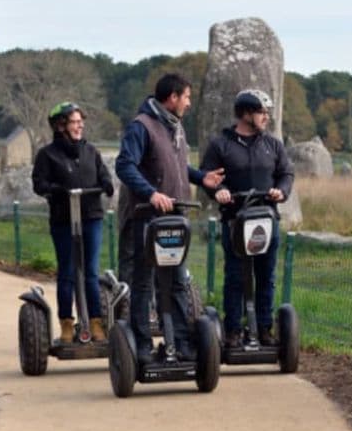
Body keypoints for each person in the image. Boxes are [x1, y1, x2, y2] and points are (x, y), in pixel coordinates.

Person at [115, 73, 223, 364]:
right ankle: (142, 345)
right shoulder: (142, 126)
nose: (189, 103)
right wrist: (150, 194)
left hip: (175, 218)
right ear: (172, 98)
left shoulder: (174, 126)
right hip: (148, 218)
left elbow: (176, 164)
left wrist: (202, 178)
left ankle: (181, 344)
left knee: (176, 282)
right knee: (144, 282)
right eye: (186, 97)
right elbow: (125, 166)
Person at [199, 89, 294, 348]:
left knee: (266, 276)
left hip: (266, 218)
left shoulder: (272, 144)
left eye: (267, 113)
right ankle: (233, 330)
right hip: (235, 220)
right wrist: (218, 191)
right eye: (262, 112)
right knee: (236, 276)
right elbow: (208, 176)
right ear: (245, 113)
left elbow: (286, 173)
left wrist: (281, 191)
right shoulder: (221, 145)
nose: (266, 117)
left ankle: (264, 328)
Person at [32, 101, 114, 344]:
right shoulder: (47, 155)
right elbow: (39, 184)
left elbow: (103, 174)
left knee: (90, 271)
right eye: (75, 122)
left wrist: (107, 184)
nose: (80, 126)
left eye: (81, 122)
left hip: (91, 216)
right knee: (67, 271)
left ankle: (95, 323)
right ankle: (67, 324)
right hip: (63, 219)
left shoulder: (91, 151)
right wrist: (56, 190)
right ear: (61, 126)